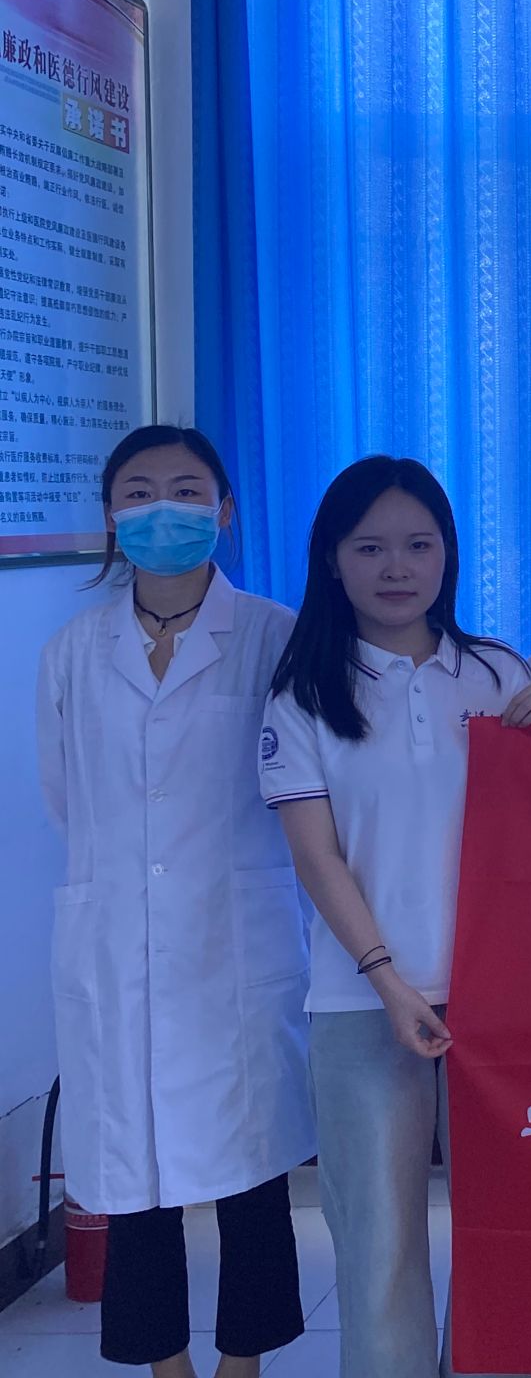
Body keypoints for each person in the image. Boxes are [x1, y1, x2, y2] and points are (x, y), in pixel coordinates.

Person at [260, 456, 531, 1378]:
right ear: (332, 559)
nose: (397, 567)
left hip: (502, 1008)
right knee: (379, 1249)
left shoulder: (497, 673)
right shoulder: (305, 693)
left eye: (418, 544)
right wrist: (387, 978)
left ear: (449, 553)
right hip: (363, 1004)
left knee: (509, 1238)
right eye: (370, 548)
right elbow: (317, 857)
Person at [36, 424, 312, 1378]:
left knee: (251, 1170)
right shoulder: (73, 651)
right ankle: (165, 1364)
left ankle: (243, 1362)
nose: (164, 509)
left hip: (235, 943)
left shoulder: (274, 636)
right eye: (140, 491)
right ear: (111, 516)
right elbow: (66, 797)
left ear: (225, 509)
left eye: (188, 491)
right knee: (134, 1176)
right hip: (116, 945)